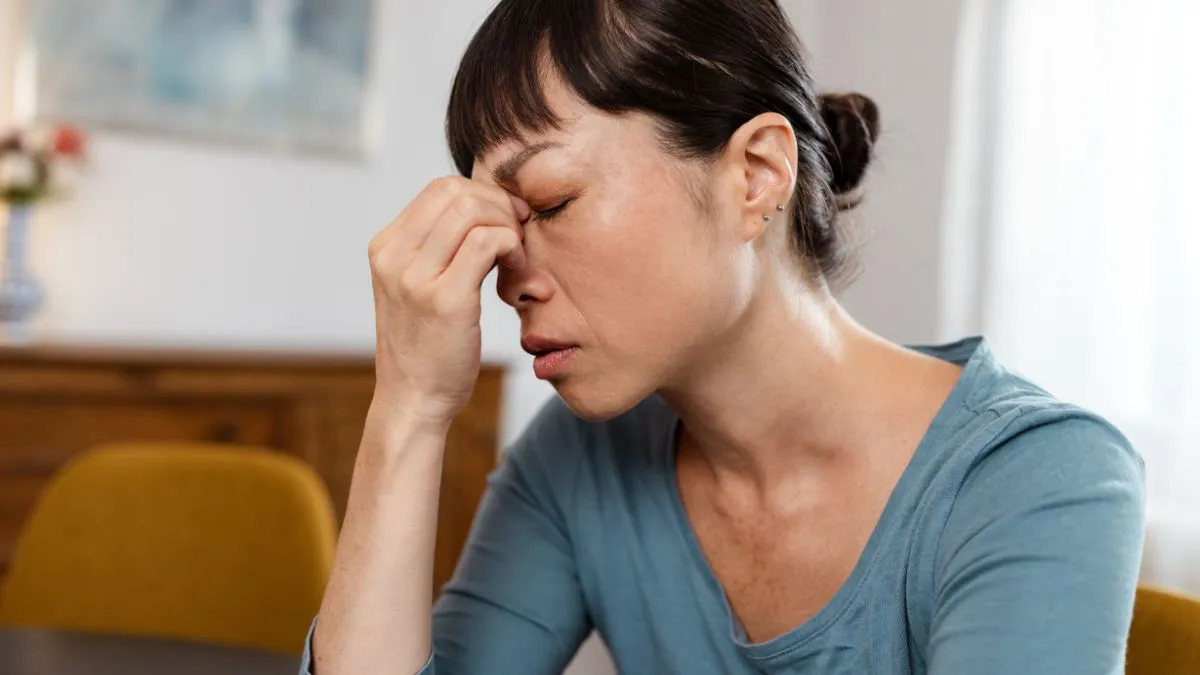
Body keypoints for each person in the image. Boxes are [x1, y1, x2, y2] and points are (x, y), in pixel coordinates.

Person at [306, 0, 1146, 673]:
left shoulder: (1035, 478)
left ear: (755, 176)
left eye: (553, 203)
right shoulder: (575, 464)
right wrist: (408, 407)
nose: (505, 273)